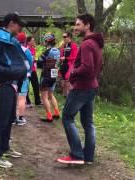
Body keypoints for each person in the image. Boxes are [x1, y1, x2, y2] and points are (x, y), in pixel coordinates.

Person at [56, 13, 104, 165]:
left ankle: (77, 155)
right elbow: (98, 66)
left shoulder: (87, 44)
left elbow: (87, 68)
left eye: (78, 24)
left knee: (67, 117)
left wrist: (72, 73)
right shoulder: (96, 43)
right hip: (91, 86)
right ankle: (88, 156)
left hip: (82, 88)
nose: (75, 28)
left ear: (87, 25)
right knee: (88, 122)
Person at [0, 13, 27, 168]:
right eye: (19, 24)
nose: (21, 28)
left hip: (11, 84)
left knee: (10, 119)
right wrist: (11, 72)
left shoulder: (9, 39)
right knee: (1, 121)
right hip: (2, 86)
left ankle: (5, 148)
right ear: (11, 23)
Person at [37, 33, 61, 122]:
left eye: (45, 40)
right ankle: (57, 112)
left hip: (46, 75)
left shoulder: (46, 52)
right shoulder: (58, 50)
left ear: (47, 41)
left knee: (44, 97)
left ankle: (49, 116)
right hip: (54, 75)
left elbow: (39, 63)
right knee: (51, 95)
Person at [14, 32, 33, 126]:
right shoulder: (27, 51)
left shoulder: (12, 50)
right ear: (25, 40)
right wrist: (29, 72)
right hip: (24, 76)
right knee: (22, 98)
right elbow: (31, 64)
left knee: (13, 97)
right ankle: (20, 118)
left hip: (12, 76)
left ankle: (12, 118)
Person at [60, 31, 78, 97]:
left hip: (69, 65)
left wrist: (66, 58)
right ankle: (65, 97)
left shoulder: (73, 46)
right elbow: (61, 55)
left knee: (68, 83)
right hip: (63, 65)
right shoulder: (63, 46)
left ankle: (69, 97)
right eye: (63, 37)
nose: (63, 38)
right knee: (62, 83)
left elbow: (75, 57)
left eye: (65, 37)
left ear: (69, 37)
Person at [26, 36, 42, 106]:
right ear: (28, 42)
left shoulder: (34, 49)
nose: (34, 42)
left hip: (33, 70)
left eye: (34, 40)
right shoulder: (26, 49)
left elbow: (34, 59)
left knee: (36, 86)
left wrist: (35, 60)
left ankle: (37, 101)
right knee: (26, 86)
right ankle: (27, 102)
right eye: (32, 40)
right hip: (27, 71)